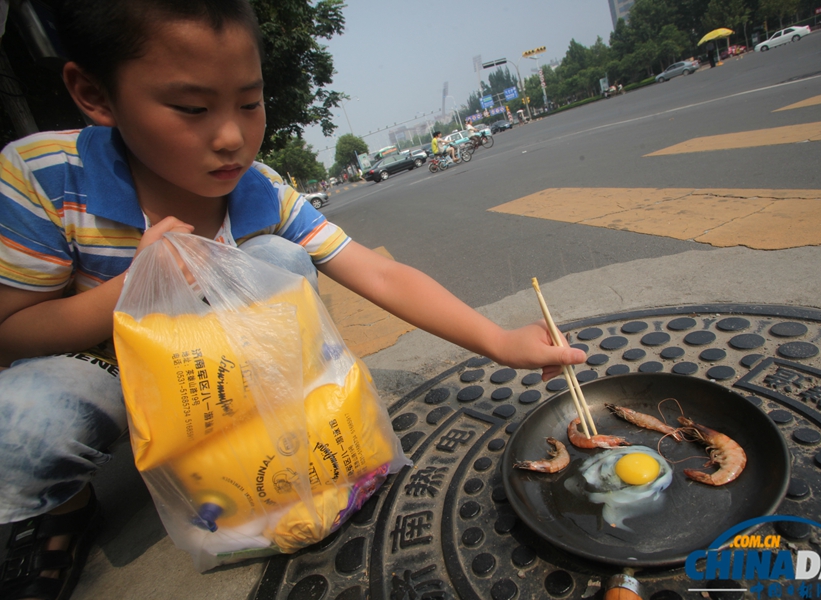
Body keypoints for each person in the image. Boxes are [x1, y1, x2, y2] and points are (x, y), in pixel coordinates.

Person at [0, 2, 585, 599]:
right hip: (106, 370)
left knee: (280, 261)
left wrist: (500, 341)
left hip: (216, 388)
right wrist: (135, 288)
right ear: (94, 94)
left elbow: (379, 275)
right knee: (26, 423)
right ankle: (66, 507)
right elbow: (11, 329)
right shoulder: (48, 176)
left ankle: (268, 451)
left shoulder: (261, 190)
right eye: (192, 109)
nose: (232, 136)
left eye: (249, 103)